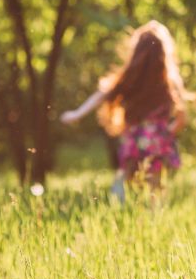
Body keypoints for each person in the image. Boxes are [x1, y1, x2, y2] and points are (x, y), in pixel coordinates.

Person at [61, 21, 188, 201]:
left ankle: (122, 208)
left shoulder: (130, 78)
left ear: (137, 51)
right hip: (159, 144)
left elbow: (102, 95)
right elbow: (182, 118)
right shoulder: (170, 83)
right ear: (164, 52)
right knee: (155, 188)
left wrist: (77, 113)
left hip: (134, 141)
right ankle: (151, 219)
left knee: (127, 181)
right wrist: (166, 135)